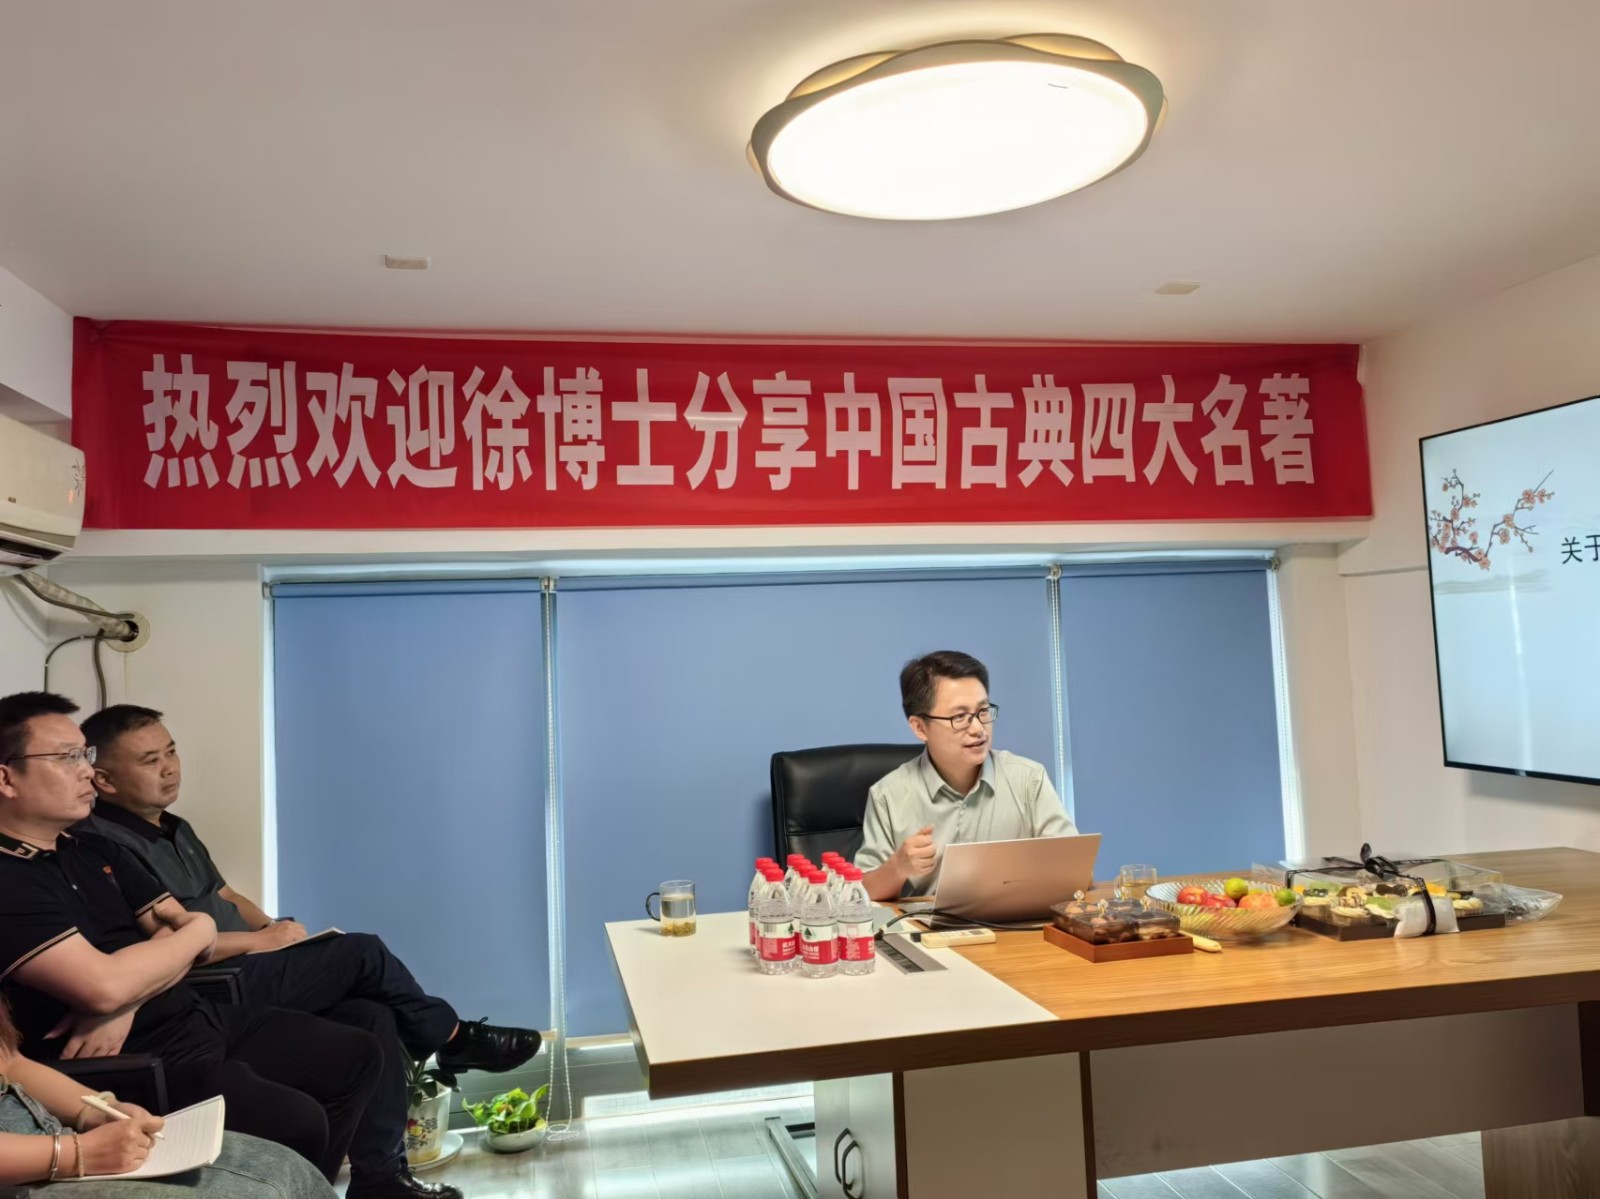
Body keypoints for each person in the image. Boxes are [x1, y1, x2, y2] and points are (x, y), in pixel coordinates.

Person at [0, 691, 430, 1199]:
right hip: (135, 1055)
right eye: (67, 757)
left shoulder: (93, 848)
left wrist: (147, 976)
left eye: (86, 755)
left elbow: (189, 930)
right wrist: (159, 960)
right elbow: (104, 984)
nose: (86, 772)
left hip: (190, 1011)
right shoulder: (10, 876)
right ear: (6, 778)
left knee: (358, 1046)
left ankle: (340, 1185)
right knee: (298, 1116)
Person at [76, 706, 539, 1076]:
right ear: (104, 780)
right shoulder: (101, 846)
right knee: (362, 952)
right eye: (150, 761)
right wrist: (260, 943)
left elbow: (227, 895)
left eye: (171, 753)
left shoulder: (175, 827)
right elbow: (160, 948)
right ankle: (454, 1039)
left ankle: (381, 1163)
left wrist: (275, 929)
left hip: (251, 961)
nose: (170, 769)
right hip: (212, 983)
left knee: (371, 1017)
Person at [0, 996, 335, 1197]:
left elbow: (11, 1062)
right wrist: (75, 1154)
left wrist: (103, 1109)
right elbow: (103, 987)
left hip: (41, 1136)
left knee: (280, 1163)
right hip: (24, 1174)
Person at [854, 651, 1077, 901]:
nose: (978, 729)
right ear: (920, 727)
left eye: (983, 711)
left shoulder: (1028, 780)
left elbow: (1075, 870)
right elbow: (864, 894)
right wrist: (898, 867)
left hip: (1016, 920)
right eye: (959, 717)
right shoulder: (888, 795)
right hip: (927, 925)